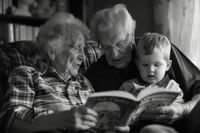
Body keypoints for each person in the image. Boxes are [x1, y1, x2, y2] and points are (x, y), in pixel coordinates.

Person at [0, 12, 129, 133]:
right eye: (77, 48)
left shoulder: (83, 82)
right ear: (52, 50)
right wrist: (60, 119)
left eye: (83, 50)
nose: (83, 57)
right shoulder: (27, 75)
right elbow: (11, 123)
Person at [84, 3, 200, 133]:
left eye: (120, 44)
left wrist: (183, 109)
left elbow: (198, 85)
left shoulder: (157, 50)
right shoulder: (94, 76)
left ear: (131, 34)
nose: (114, 54)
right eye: (106, 47)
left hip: (185, 122)